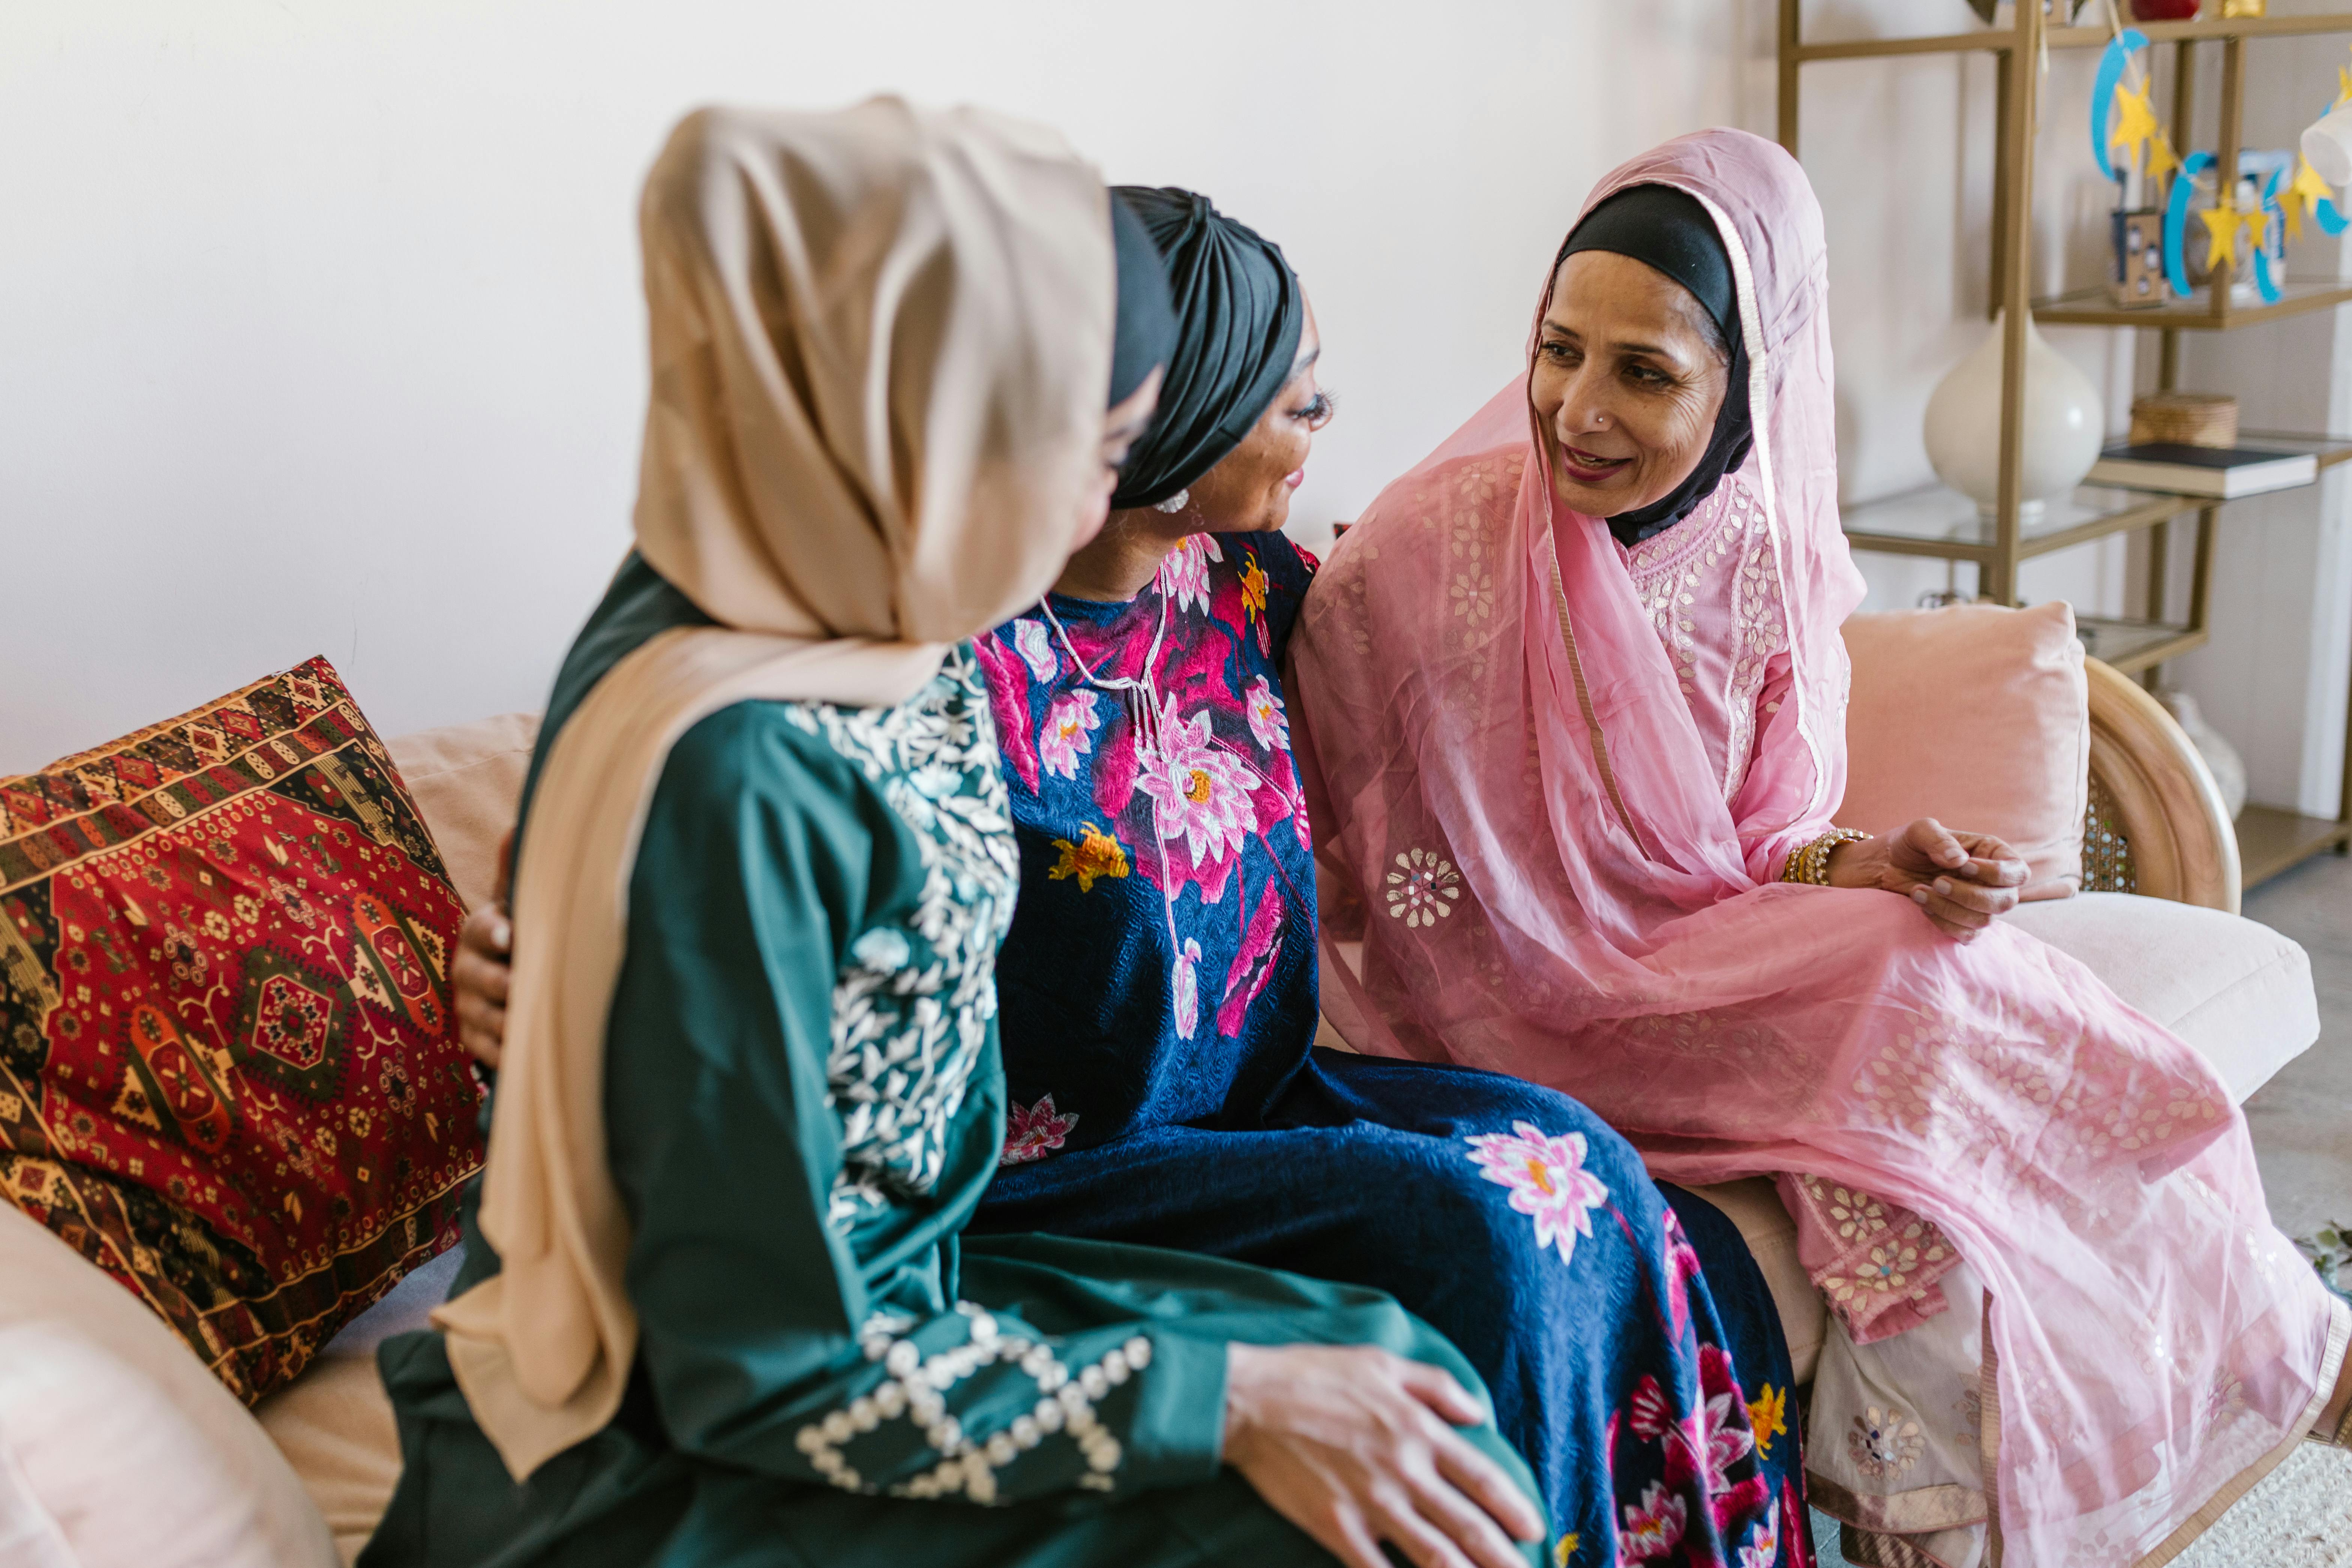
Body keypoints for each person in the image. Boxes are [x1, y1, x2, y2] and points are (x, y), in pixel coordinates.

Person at [452, 181, 1812, 1568]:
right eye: (1297, 401)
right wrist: (549, 953)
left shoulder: (1254, 589)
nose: (1323, 430)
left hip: (1256, 1113)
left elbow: (1545, 661)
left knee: (1571, 1163)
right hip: (1037, 1183)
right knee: (1484, 1227)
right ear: (1170, 423)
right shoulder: (915, 662)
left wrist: (1829, 859)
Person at [1291, 127, 2352, 1568]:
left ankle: (2217, 1357)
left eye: (1644, 372)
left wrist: (1869, 864)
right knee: (1911, 995)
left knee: (1920, 949)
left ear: (1750, 381)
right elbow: (1334, 857)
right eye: (1558, 350)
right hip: (1488, 1003)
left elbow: (1758, 848)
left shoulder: (1768, 556)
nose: (1574, 409)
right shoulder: (1419, 552)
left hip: (1689, 962)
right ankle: (2305, 1356)